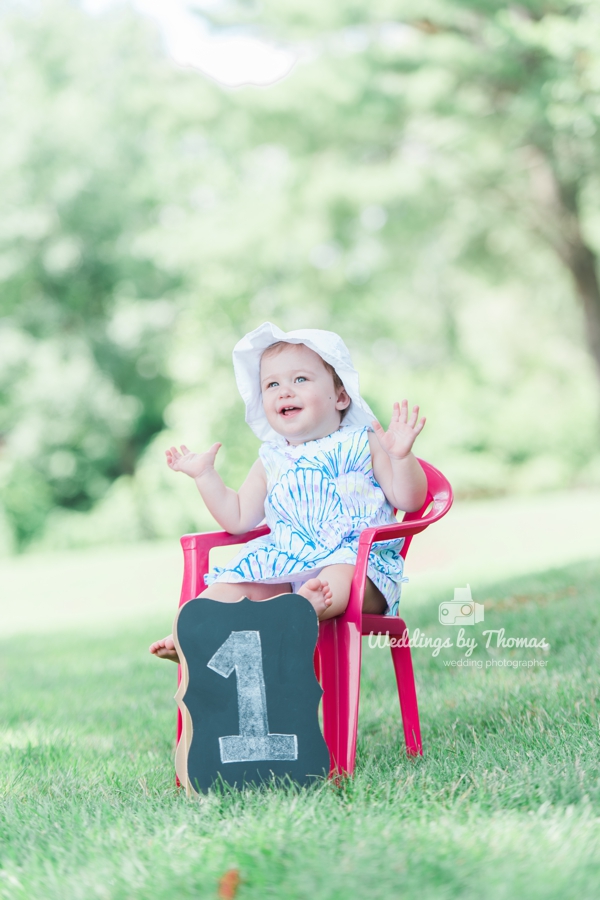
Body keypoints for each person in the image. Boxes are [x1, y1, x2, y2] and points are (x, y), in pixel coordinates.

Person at [150, 322, 427, 662]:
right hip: (289, 564)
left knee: (335, 576)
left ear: (340, 396)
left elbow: (410, 500)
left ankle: (296, 612)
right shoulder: (271, 458)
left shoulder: (362, 442)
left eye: (300, 379)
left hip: (358, 566)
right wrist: (206, 476)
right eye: (272, 384)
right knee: (238, 582)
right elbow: (237, 518)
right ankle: (196, 630)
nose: (284, 391)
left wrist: (401, 456)